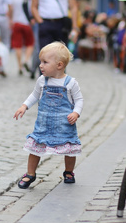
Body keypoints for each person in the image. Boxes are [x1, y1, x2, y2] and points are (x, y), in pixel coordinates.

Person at [13, 42, 83, 189]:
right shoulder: (42, 81)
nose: (40, 65)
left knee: (69, 148)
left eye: (45, 62)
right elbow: (34, 95)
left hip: (64, 124)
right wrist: (24, 106)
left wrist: (76, 112)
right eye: (40, 62)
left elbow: (79, 100)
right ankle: (30, 173)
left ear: (59, 65)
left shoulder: (70, 83)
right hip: (43, 123)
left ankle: (69, 172)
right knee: (35, 148)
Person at [23, 0, 45, 79]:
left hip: (47, 18)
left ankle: (36, 69)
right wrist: (30, 18)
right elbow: (25, 3)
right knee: (38, 46)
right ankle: (34, 69)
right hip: (37, 20)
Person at [10, 0, 34, 75]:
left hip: (16, 22)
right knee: (30, 44)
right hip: (28, 23)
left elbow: (10, 10)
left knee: (18, 46)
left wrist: (10, 20)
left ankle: (20, 66)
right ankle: (26, 60)